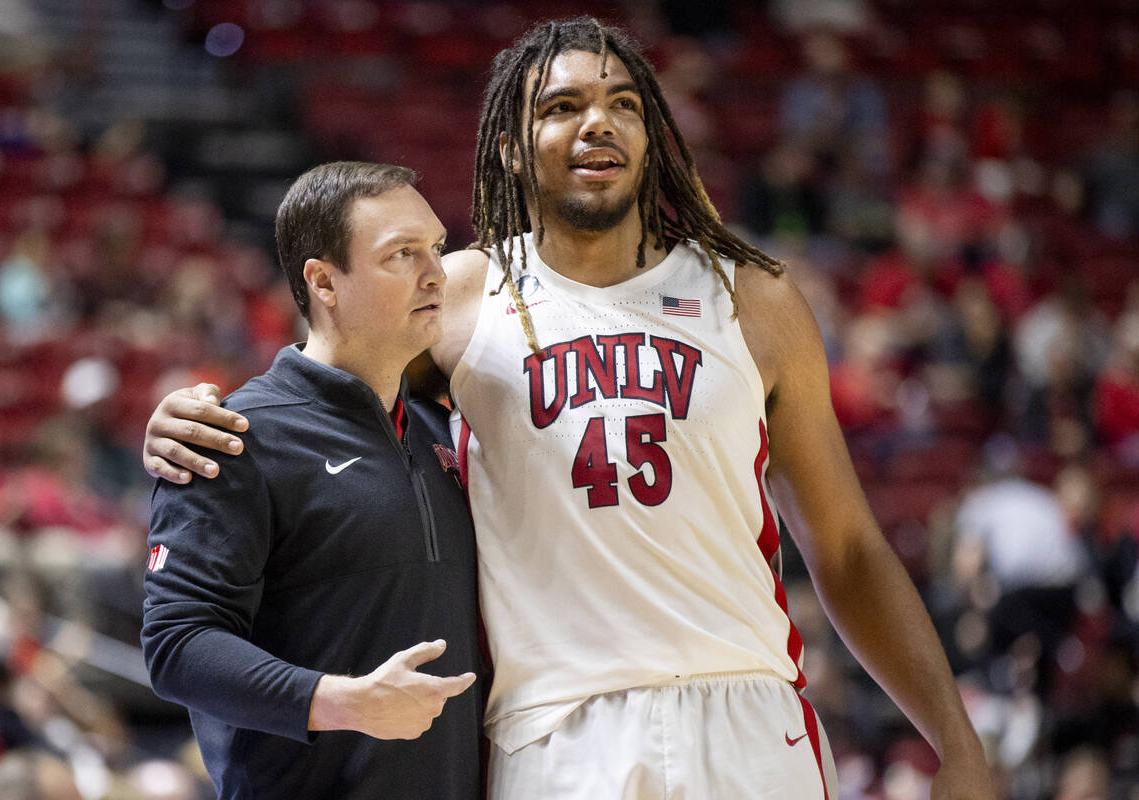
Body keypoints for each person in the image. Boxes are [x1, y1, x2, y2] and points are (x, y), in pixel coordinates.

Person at [143, 18, 994, 799]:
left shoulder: (754, 299)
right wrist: (192, 416)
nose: (600, 122)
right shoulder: (467, 294)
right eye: (564, 106)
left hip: (745, 706)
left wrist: (955, 741)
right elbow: (330, 383)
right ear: (512, 148)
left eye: (624, 103)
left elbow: (844, 546)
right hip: (552, 730)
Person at [141, 161, 481, 800]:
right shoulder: (234, 437)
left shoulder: (447, 433)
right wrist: (339, 702)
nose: (436, 271)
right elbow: (176, 644)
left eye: (435, 247)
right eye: (401, 254)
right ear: (324, 280)